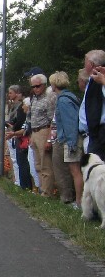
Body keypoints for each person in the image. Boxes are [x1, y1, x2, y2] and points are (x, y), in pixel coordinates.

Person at [50, 71, 83, 207]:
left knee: (73, 171)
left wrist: (71, 143)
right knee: (71, 170)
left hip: (69, 140)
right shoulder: (69, 97)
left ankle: (77, 201)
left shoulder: (63, 100)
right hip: (68, 138)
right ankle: (75, 199)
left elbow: (70, 123)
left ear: (54, 84)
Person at [27, 73, 57, 196]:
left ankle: (47, 192)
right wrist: (31, 136)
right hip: (34, 131)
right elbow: (31, 117)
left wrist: (49, 139)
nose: (35, 89)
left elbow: (52, 120)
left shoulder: (49, 99)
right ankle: (41, 188)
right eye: (33, 87)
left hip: (44, 130)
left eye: (38, 86)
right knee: (38, 164)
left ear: (44, 85)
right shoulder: (34, 99)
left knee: (46, 164)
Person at [79, 49, 105, 159]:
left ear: (91, 64)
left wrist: (103, 81)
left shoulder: (100, 78)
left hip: (101, 132)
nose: (84, 65)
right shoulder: (91, 80)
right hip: (92, 133)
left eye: (85, 62)